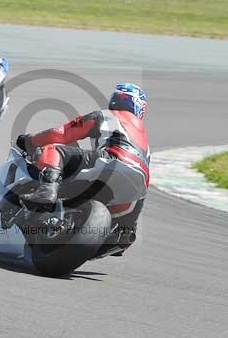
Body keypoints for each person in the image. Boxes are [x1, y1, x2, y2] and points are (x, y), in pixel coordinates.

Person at [16, 83, 149, 238]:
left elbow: (62, 134)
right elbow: (144, 184)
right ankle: (125, 233)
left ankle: (47, 189)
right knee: (135, 203)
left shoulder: (109, 116)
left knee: (54, 149)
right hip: (137, 178)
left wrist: (30, 140)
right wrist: (131, 223)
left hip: (111, 159)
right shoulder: (144, 142)